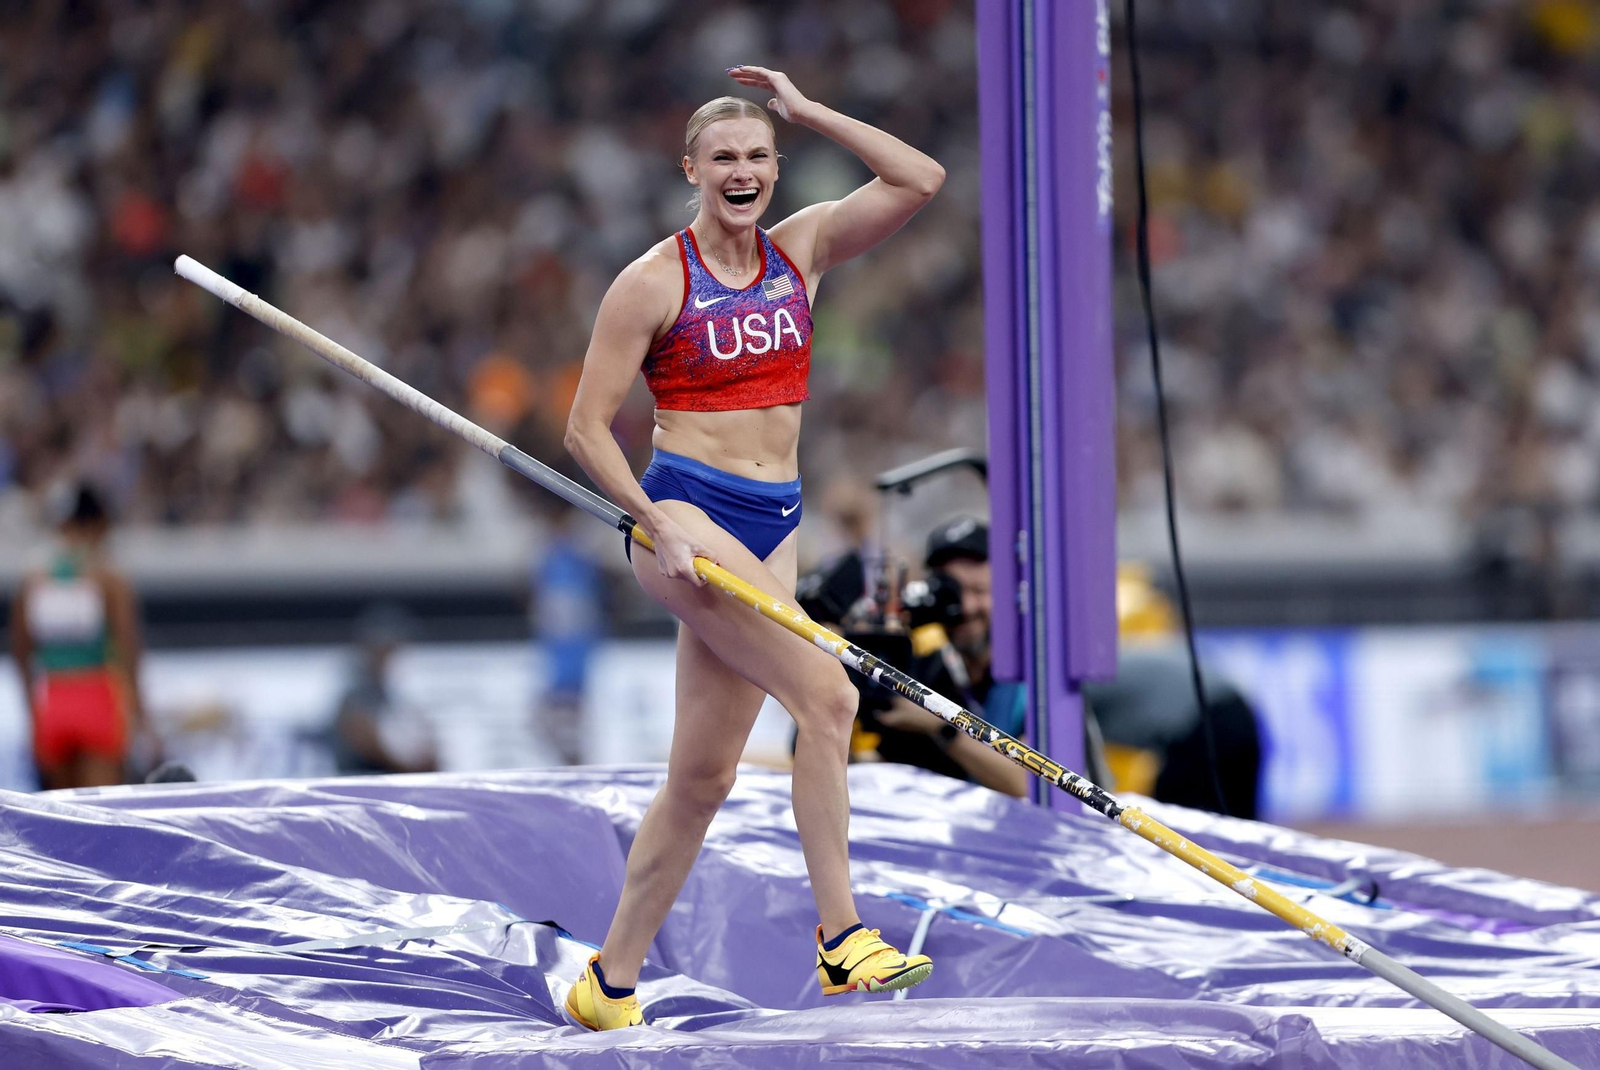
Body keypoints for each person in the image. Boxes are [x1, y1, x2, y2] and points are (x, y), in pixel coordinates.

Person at [562, 65, 945, 1029]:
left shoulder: (801, 249)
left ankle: (607, 983)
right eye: (723, 157)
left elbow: (919, 180)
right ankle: (841, 939)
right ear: (690, 168)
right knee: (830, 694)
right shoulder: (653, 281)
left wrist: (811, 111)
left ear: (776, 167)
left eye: (759, 156)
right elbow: (584, 430)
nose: (742, 172)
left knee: (703, 776)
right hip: (686, 516)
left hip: (775, 524)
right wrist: (654, 525)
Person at [870, 517, 1030, 798]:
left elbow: (1028, 784)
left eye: (979, 591)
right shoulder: (924, 669)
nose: (966, 607)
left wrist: (940, 725)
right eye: (952, 593)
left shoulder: (1037, 674)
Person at [10, 484, 145, 791]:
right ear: (98, 524)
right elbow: (128, 650)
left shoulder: (33, 578)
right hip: (98, 699)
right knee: (101, 819)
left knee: (63, 824)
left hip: (53, 701)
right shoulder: (108, 576)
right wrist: (143, 719)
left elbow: (20, 652)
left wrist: (33, 714)